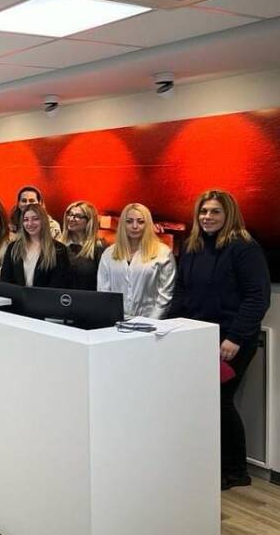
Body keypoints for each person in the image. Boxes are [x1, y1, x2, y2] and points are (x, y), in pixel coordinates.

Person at [169, 190, 270, 491]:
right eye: (203, 211)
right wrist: (169, 326)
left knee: (220, 401)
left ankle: (236, 471)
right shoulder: (193, 246)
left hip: (230, 342)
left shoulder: (244, 248)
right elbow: (181, 291)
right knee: (202, 402)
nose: (207, 217)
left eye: (215, 212)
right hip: (196, 337)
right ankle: (208, 463)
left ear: (229, 215)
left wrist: (234, 337)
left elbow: (257, 297)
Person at [97, 203, 175, 319]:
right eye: (129, 221)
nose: (134, 226)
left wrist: (150, 322)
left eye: (140, 222)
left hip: (150, 322)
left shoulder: (163, 253)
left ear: (148, 224)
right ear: (122, 224)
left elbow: (165, 295)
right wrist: (112, 319)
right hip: (115, 322)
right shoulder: (109, 254)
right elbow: (104, 292)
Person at [0, 203, 72, 288]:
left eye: (35, 219)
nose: (30, 223)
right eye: (26, 220)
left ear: (44, 221)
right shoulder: (13, 247)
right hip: (17, 296)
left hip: (45, 296)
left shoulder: (59, 249)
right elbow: (5, 279)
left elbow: (59, 282)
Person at [59, 200, 105, 290]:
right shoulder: (59, 247)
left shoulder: (98, 248)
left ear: (89, 221)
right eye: (70, 214)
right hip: (62, 297)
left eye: (77, 216)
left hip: (88, 297)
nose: (71, 219)